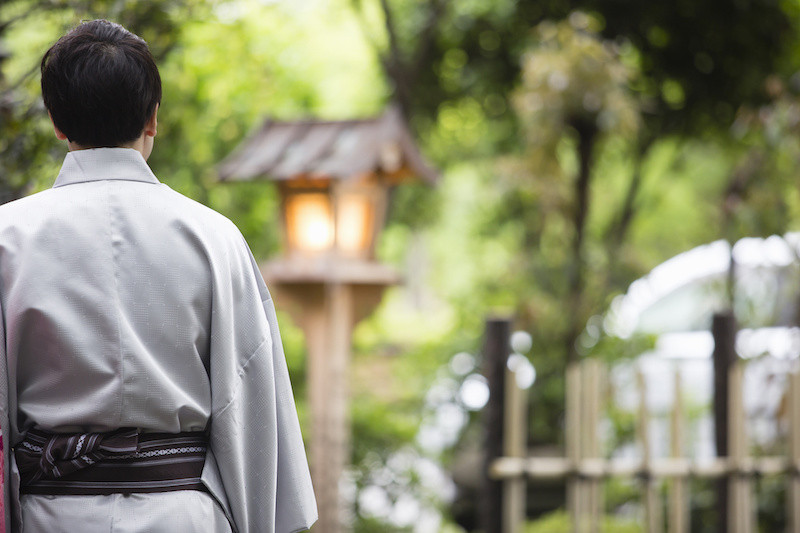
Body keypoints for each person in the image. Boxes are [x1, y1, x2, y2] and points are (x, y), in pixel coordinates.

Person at [0, 19, 317, 532]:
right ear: (152, 119)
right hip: (183, 514)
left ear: (56, 121)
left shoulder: (7, 237)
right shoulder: (214, 237)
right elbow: (251, 398)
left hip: (49, 515)